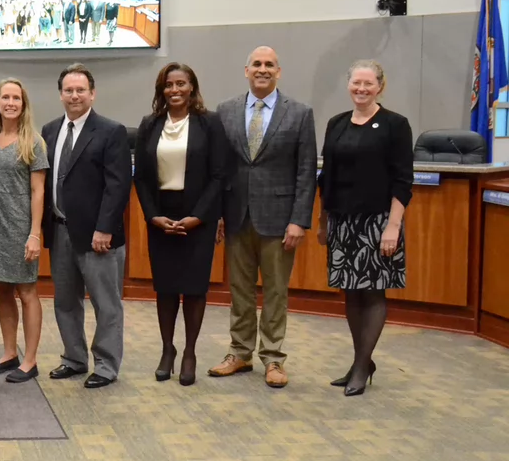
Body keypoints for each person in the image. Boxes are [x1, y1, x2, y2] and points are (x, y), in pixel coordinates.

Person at [210, 46, 317, 388]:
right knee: (239, 290)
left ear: (279, 72)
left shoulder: (299, 113)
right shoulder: (225, 111)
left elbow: (305, 172)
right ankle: (240, 353)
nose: (262, 69)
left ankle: (273, 358)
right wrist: (217, 214)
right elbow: (219, 169)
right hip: (236, 216)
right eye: (256, 64)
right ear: (246, 71)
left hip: (279, 219)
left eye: (269, 64)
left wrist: (299, 220)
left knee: (275, 292)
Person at [317, 60, 413, 396]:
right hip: (342, 221)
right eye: (356, 83)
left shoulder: (394, 125)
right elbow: (326, 176)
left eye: (368, 84)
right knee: (351, 292)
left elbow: (403, 181)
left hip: (378, 223)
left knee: (373, 291)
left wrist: (393, 227)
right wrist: (323, 220)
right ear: (349, 85)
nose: (361, 89)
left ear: (380, 87)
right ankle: (362, 360)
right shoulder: (337, 124)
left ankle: (361, 365)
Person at [133, 64, 228, 386]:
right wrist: (152, 216)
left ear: (192, 87)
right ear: (161, 90)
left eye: (181, 84)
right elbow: (142, 177)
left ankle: (189, 352)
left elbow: (219, 175)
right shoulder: (150, 124)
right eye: (168, 85)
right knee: (166, 288)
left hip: (198, 217)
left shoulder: (210, 123)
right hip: (161, 215)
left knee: (194, 288)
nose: (175, 90)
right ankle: (167, 350)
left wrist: (200, 216)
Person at [42, 64, 131, 388]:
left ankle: (106, 365)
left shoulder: (111, 131)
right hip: (60, 230)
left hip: (98, 236)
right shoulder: (50, 130)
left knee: (106, 304)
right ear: (61, 94)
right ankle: (74, 358)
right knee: (65, 301)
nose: (75, 95)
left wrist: (105, 228)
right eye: (69, 90)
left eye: (81, 90)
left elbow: (118, 186)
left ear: (92, 93)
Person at [0, 79, 48, 383]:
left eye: (16, 98)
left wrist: (35, 233)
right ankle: (10, 353)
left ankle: (30, 359)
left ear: (23, 104)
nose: (10, 102)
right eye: (4, 97)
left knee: (27, 291)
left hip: (21, 226)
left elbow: (39, 191)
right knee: (2, 290)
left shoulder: (33, 142)